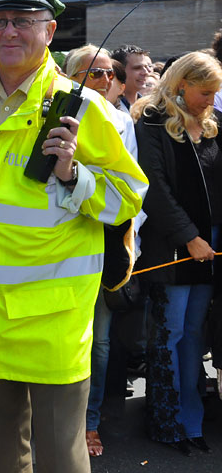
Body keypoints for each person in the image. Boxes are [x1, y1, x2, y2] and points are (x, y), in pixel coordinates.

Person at [0, 0, 147, 473]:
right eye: (1, 19)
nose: (10, 31)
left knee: (59, 462)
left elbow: (129, 198)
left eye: (25, 19)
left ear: (49, 31)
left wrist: (75, 177)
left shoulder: (84, 109)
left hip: (50, 327)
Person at [132, 51, 222, 456]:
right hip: (174, 248)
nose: (211, 100)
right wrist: (190, 237)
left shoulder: (213, 126)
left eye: (214, 93)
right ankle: (167, 425)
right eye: (206, 92)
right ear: (182, 83)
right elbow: (154, 188)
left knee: (192, 339)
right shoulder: (151, 122)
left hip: (209, 245)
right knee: (169, 338)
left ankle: (191, 421)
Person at [63, 44, 140, 457]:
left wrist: (133, 247)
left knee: (101, 344)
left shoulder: (124, 120)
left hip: (108, 249)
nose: (107, 80)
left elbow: (134, 193)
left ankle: (89, 425)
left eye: (111, 73)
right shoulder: (53, 112)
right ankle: (60, 428)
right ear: (71, 77)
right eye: (96, 73)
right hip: (62, 248)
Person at [111, 44, 153, 112]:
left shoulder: (150, 108)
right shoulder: (108, 107)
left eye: (146, 67)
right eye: (137, 68)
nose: (145, 72)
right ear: (119, 70)